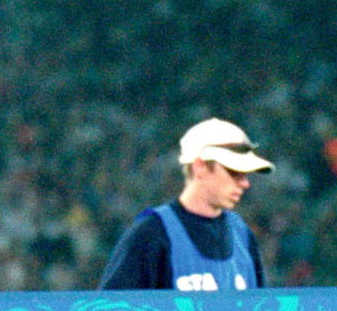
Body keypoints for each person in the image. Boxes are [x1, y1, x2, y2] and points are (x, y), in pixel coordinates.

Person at [98, 117, 272, 292]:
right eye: (234, 172)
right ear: (200, 167)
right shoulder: (151, 235)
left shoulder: (242, 236)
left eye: (245, 174)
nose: (244, 183)